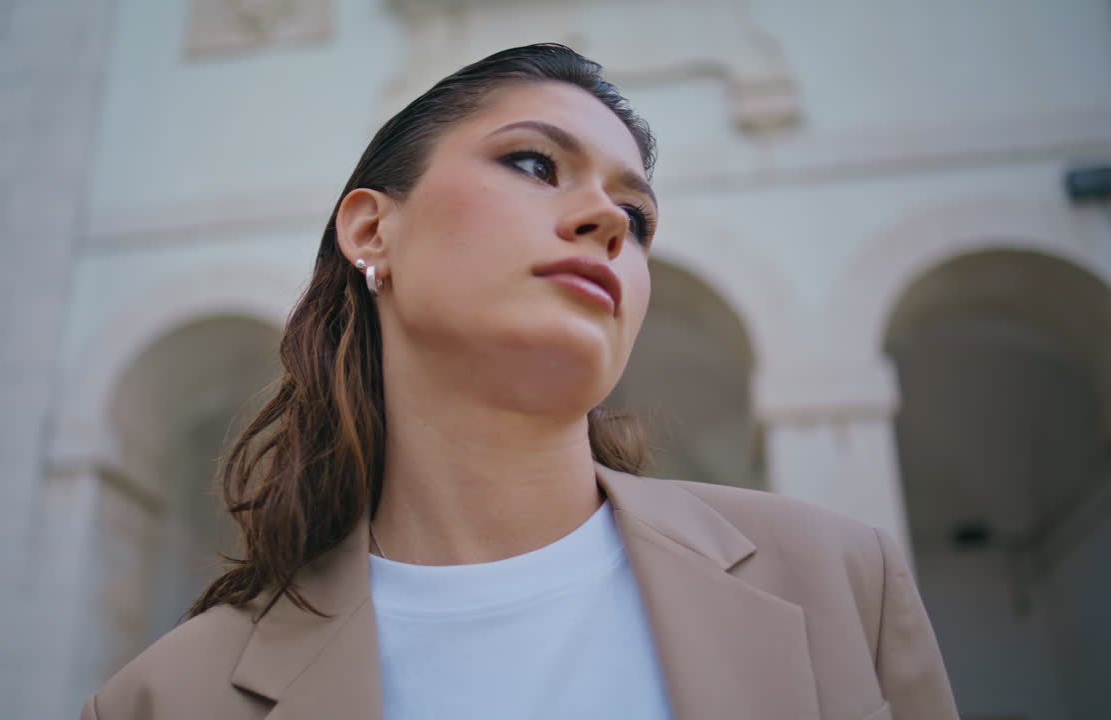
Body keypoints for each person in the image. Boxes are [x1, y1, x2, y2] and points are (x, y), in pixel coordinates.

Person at [81, 44, 957, 720]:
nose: (609, 219)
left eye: (639, 216)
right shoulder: (166, 700)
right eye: (536, 163)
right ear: (370, 230)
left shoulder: (842, 584)